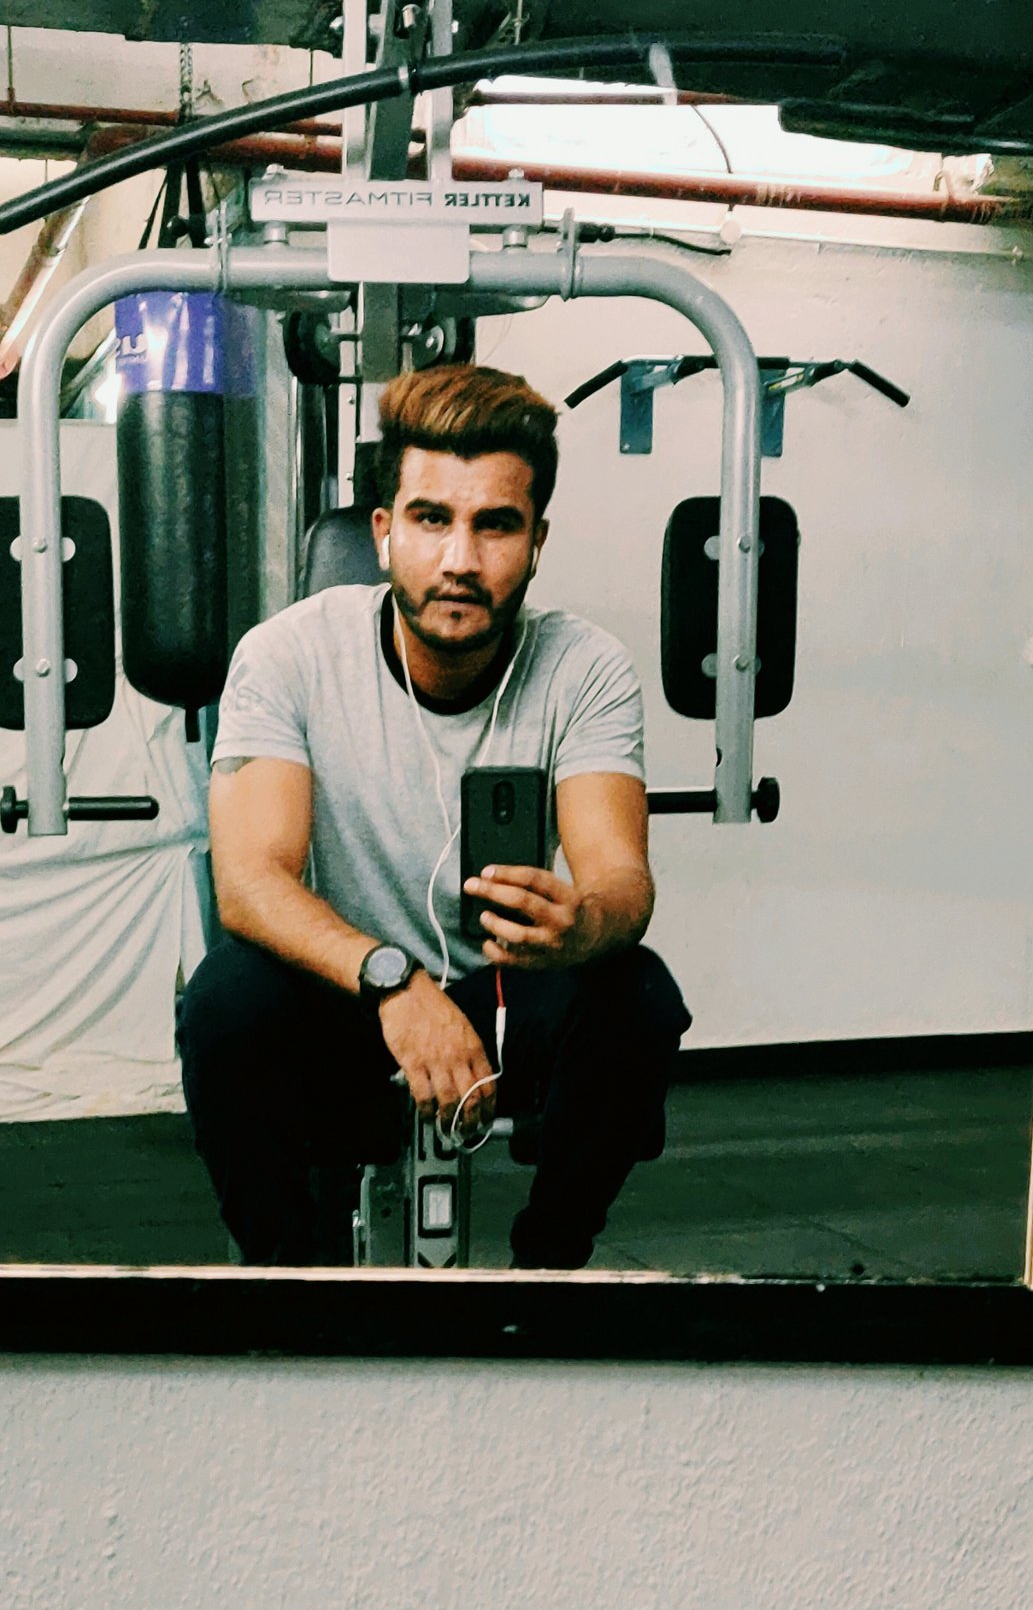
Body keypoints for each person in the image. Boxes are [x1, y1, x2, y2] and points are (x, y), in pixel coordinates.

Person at [178, 362, 691, 1267]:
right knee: (226, 1002)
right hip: (347, 997)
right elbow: (248, 883)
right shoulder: (289, 655)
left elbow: (620, 878)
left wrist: (580, 925)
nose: (460, 560)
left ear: (536, 542)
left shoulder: (584, 667)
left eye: (494, 524)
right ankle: (286, 1289)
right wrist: (391, 981)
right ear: (383, 533)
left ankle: (547, 1271)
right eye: (430, 519)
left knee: (635, 994)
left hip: (503, 996)